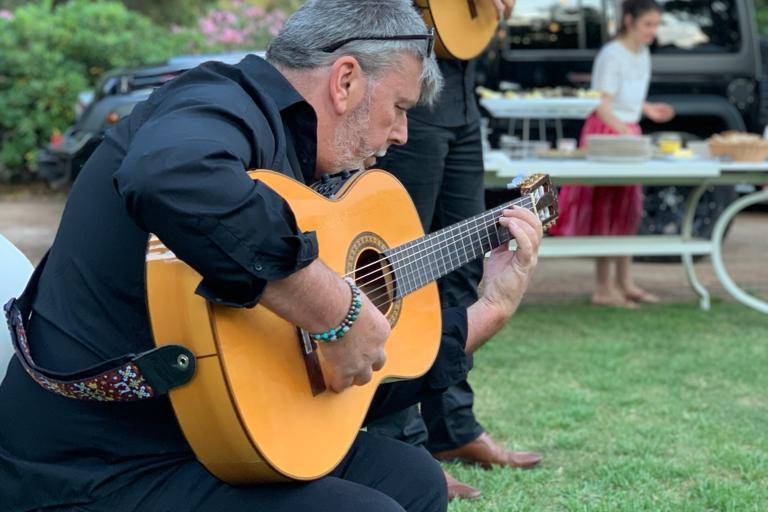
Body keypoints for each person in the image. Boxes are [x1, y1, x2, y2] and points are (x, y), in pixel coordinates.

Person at [0, 2, 543, 512]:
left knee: (414, 480)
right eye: (399, 108)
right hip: (91, 465)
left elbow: (325, 391)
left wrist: (487, 311)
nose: (401, 134)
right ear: (346, 80)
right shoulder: (219, 102)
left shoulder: (308, 174)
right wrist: (336, 310)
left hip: (207, 434)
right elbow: (168, 175)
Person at [366, 0, 541, 501]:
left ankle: (454, 427)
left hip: (460, 90)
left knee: (465, 263)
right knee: (400, 275)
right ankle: (404, 445)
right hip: (407, 85)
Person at [550, 0, 674, 308]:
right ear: (629, 20)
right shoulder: (611, 54)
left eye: (656, 25)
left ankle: (625, 281)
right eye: (648, 24)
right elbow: (601, 103)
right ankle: (603, 287)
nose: (653, 31)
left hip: (627, 131)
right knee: (606, 206)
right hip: (608, 133)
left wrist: (647, 110)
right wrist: (625, 129)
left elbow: (626, 96)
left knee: (627, 207)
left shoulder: (643, 53)